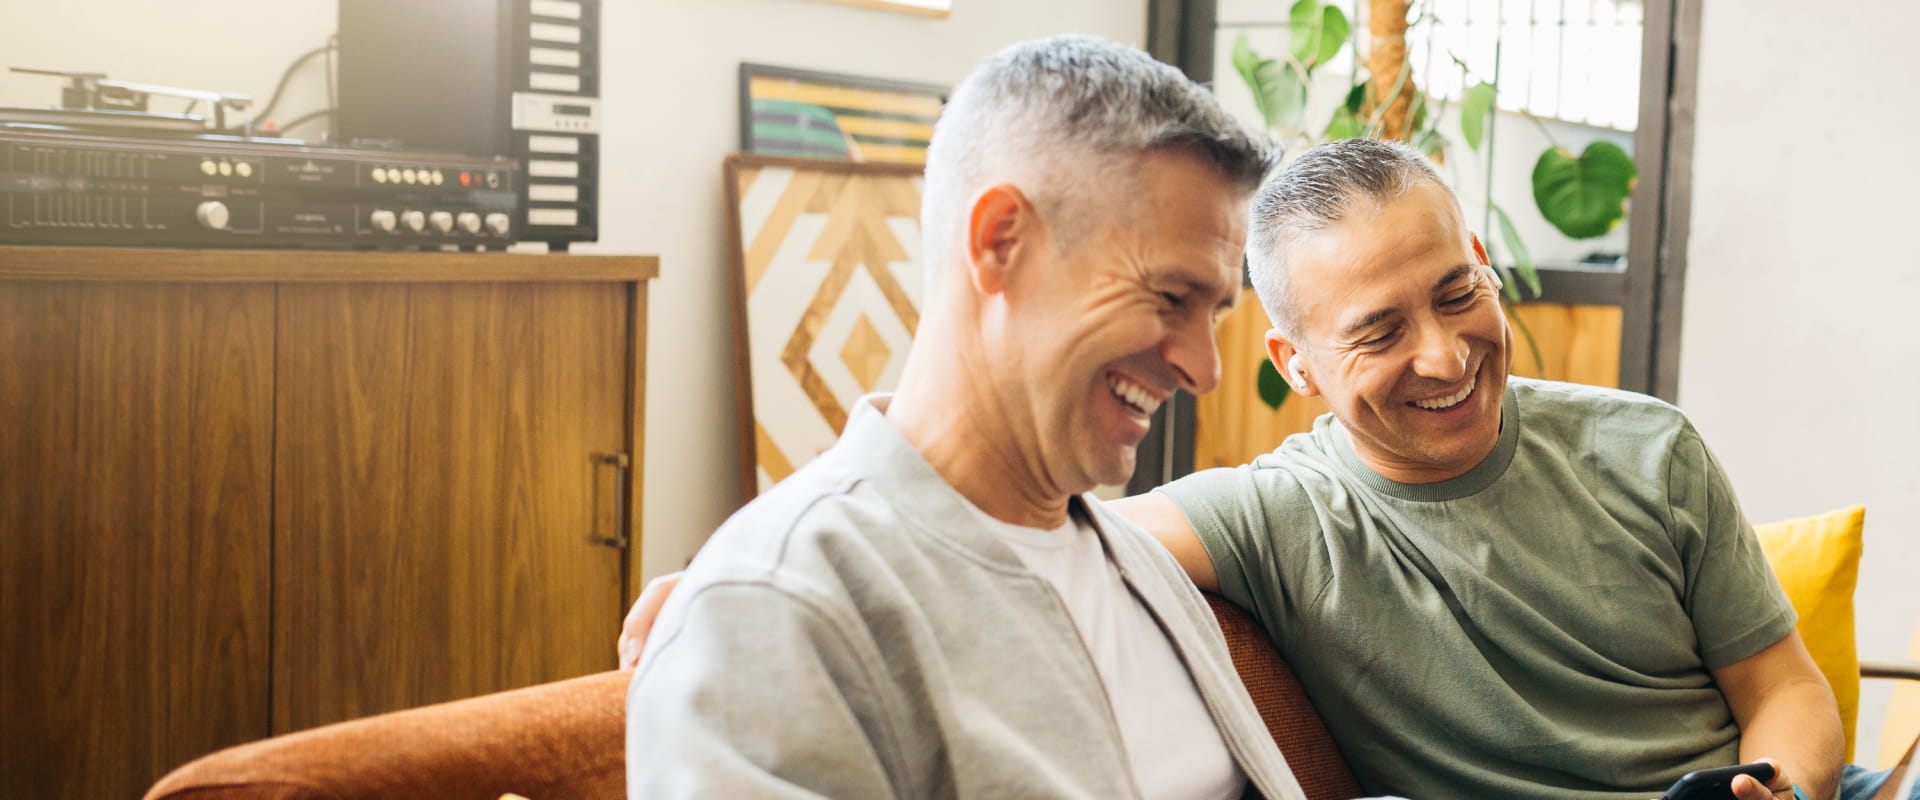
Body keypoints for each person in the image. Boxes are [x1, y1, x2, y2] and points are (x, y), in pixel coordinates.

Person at [626, 137, 1915, 800]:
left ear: (1481, 260)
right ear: (1294, 363)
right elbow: (1021, 538)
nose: (1445, 353)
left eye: (1456, 291)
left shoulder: (1648, 445)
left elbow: (1786, 690)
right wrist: (753, 569)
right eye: (1378, 331)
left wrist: (1782, 788)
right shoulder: (1276, 514)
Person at [624, 35, 1310, 799]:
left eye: (1215, 313)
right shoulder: (775, 608)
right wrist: (754, 591)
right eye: (1171, 298)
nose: (1204, 370)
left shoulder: (1138, 565)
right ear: (1000, 242)